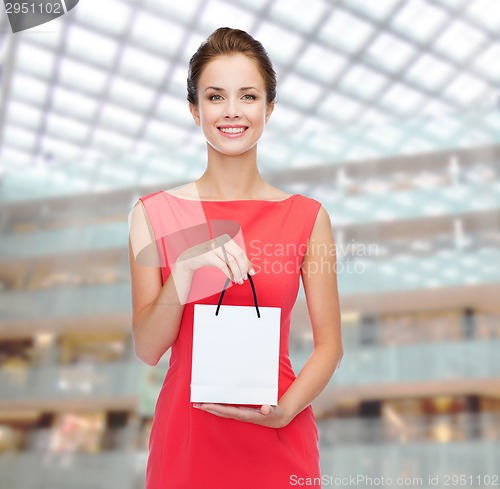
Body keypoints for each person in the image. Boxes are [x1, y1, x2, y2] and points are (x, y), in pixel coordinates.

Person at [128, 27, 343, 489]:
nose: (231, 111)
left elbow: (330, 345)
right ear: (194, 110)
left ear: (268, 109)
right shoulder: (153, 214)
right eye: (214, 96)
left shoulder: (306, 217)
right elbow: (147, 349)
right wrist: (183, 271)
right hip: (187, 442)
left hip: (278, 431)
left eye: (247, 96)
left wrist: (286, 410)